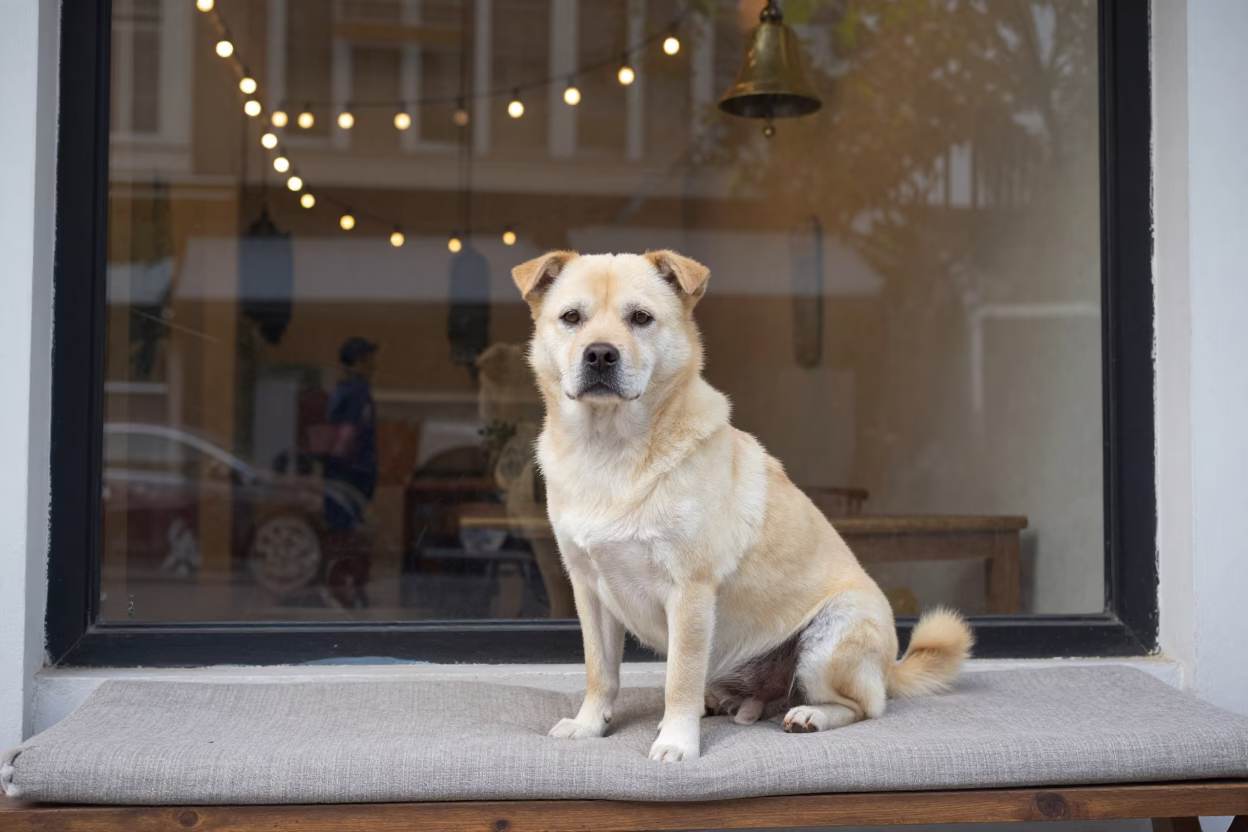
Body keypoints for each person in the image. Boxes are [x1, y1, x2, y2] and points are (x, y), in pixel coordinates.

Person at [322, 337, 379, 608]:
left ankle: (345, 584)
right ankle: (349, 585)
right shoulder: (357, 392)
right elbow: (348, 436)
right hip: (351, 474)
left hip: (343, 473)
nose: (373, 366)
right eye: (367, 359)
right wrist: (350, 467)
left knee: (344, 530)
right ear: (357, 362)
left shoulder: (342, 391)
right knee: (350, 531)